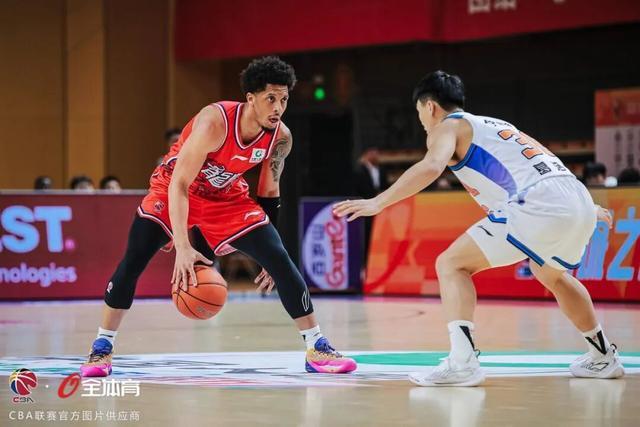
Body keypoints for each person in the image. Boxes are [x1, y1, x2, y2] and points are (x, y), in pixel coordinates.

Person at [334, 71, 624, 386]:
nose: (421, 120)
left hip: (539, 204)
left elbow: (432, 166)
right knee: (551, 274)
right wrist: (585, 207)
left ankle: (462, 362)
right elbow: (542, 165)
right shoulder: (496, 125)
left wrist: (379, 202)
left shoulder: (448, 126)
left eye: (419, 112)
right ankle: (602, 356)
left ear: (430, 107)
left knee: (451, 264)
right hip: (576, 198)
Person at [80, 56, 356, 377]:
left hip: (225, 197)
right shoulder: (215, 122)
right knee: (135, 258)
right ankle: (101, 348)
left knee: (279, 258)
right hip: (173, 188)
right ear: (250, 98)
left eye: (283, 99)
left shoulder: (280, 137)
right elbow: (180, 184)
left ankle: (317, 346)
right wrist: (182, 246)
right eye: (270, 98)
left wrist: (268, 254)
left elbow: (269, 190)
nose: (278, 107)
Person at [353, 147, 387, 267]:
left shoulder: (381, 169)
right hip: (365, 204)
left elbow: (384, 185)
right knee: (366, 235)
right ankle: (364, 263)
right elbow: (356, 188)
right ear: (367, 154)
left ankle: (376, 262)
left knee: (379, 234)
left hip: (379, 204)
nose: (376, 155)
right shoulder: (359, 169)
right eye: (373, 152)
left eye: (377, 153)